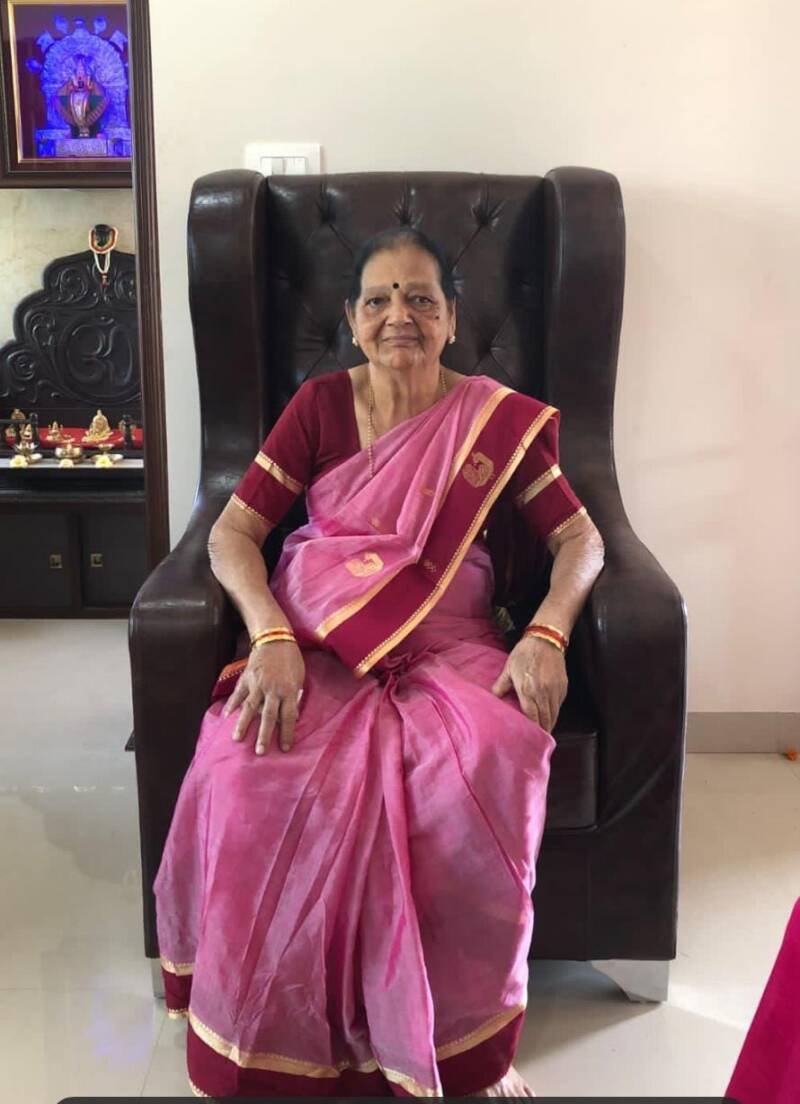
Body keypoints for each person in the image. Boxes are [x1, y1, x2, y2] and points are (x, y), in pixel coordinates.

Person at [154, 227, 606, 1098]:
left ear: (451, 320)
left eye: (421, 298)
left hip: (451, 641)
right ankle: (278, 1033)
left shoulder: (491, 419)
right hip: (320, 640)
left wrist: (546, 634)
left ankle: (463, 1040)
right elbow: (233, 533)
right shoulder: (319, 406)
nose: (400, 314)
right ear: (353, 319)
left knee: (489, 760)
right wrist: (270, 636)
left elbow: (581, 539)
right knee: (247, 766)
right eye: (378, 299)